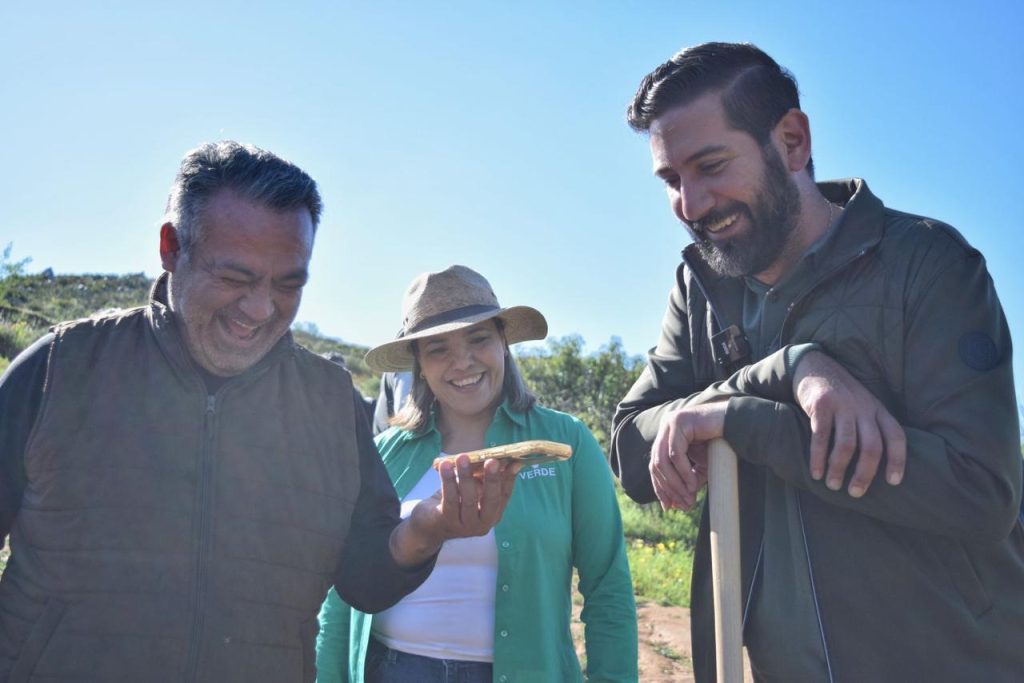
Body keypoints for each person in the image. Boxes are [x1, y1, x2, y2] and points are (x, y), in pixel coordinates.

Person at [0, 142, 519, 682]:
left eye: (288, 284)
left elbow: (367, 579)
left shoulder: (328, 402)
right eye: (235, 278)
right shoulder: (60, 370)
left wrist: (429, 529)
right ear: (171, 247)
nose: (259, 309)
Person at [609, 42, 1023, 682]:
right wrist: (789, 369)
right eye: (671, 180)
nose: (690, 204)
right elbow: (634, 451)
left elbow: (980, 494)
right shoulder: (701, 288)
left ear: (793, 141)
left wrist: (745, 421)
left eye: (711, 165)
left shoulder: (928, 263)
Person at [316, 265, 638, 682]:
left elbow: (607, 588)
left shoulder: (565, 443)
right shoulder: (383, 455)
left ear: (503, 341)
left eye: (478, 338)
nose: (462, 362)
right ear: (419, 364)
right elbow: (342, 598)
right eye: (437, 348)